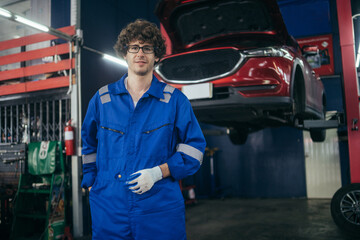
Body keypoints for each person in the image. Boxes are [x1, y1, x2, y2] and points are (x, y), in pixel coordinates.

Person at [81, 19, 206, 240]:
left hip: (159, 209)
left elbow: (194, 149)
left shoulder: (175, 101)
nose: (140, 53)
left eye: (148, 48)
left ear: (156, 56)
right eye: (134, 47)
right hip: (109, 209)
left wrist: (159, 172)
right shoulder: (102, 100)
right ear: (125, 54)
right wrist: (91, 181)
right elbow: (89, 144)